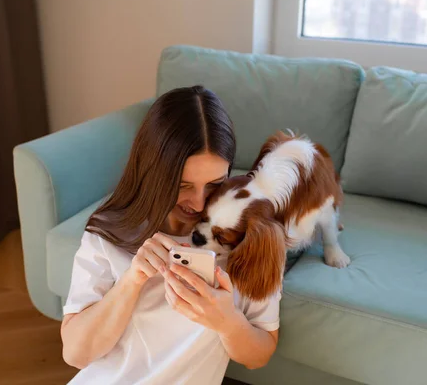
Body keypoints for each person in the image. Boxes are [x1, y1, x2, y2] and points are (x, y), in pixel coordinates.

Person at [61, 85, 281, 385]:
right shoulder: (110, 232)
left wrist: (227, 322)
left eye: (215, 184)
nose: (200, 203)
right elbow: (76, 355)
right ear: (153, 173)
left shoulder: (254, 238)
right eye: (183, 185)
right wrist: (131, 281)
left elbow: (259, 355)